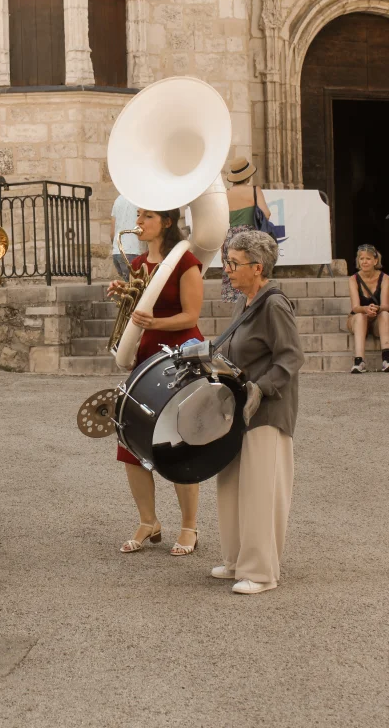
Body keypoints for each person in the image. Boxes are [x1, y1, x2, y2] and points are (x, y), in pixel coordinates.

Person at [108, 208, 204, 556]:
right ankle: (148, 521)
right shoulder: (137, 266)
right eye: (138, 215)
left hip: (178, 356)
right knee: (130, 443)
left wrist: (153, 324)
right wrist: (123, 295)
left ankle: (189, 526)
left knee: (179, 440)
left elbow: (191, 315)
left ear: (166, 222)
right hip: (145, 354)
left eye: (147, 216)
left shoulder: (185, 262)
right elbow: (137, 311)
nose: (139, 222)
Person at [212, 230, 303, 595]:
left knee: (261, 491)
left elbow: (291, 357)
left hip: (267, 410)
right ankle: (237, 560)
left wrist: (261, 388)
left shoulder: (274, 304)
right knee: (231, 485)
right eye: (227, 262)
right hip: (239, 408)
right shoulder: (246, 301)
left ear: (257, 267)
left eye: (234, 264)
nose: (227, 270)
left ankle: (261, 573)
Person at [221, 156, 271, 303]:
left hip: (230, 239)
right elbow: (266, 213)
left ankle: (239, 311)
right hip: (250, 239)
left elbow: (222, 221)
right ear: (248, 176)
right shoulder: (255, 191)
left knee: (234, 275)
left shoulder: (226, 194)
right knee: (252, 275)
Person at [347, 244, 389, 373]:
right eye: (361, 259)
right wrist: (366, 309)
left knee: (385, 314)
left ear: (375, 261)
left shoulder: (385, 278)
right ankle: (359, 361)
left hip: (377, 320)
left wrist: (376, 308)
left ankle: (386, 359)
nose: (364, 262)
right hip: (357, 319)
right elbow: (355, 307)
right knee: (360, 316)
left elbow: (386, 305)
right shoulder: (353, 279)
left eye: (368, 259)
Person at [110, 195, 144, 281]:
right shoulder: (140, 198)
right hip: (133, 250)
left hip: (118, 251)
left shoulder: (118, 200)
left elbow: (112, 232)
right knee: (136, 289)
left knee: (129, 287)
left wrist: (116, 247)